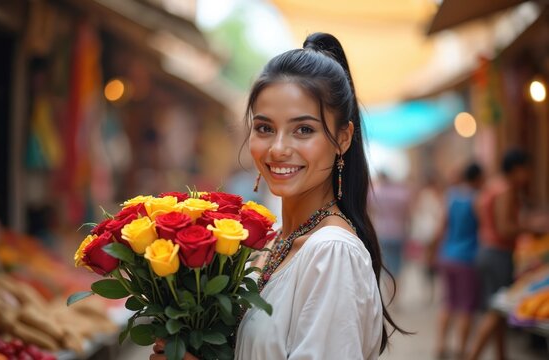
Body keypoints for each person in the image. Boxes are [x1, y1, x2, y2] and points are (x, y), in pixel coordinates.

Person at [151, 32, 404, 360]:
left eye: (304, 130)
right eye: (265, 128)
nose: (279, 148)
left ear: (343, 138)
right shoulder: (274, 244)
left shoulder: (331, 254)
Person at [466, 149, 531, 360]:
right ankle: (472, 355)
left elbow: (480, 212)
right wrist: (532, 227)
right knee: (495, 310)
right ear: (516, 168)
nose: (528, 174)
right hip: (498, 253)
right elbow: (505, 228)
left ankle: (501, 355)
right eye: (526, 169)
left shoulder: (491, 187)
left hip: (486, 250)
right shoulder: (506, 189)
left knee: (497, 309)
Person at [428, 163, 484, 359]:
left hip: (448, 256)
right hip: (467, 258)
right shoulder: (477, 199)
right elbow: (483, 229)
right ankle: (461, 350)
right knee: (466, 306)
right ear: (478, 179)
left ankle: (440, 346)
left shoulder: (450, 197)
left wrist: (434, 251)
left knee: (448, 303)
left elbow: (441, 227)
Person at [370, 171, 412, 280]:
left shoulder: (377, 193)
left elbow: (370, 209)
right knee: (398, 264)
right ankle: (397, 289)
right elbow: (407, 215)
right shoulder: (401, 194)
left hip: (383, 231)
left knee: (386, 263)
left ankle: (390, 291)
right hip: (399, 231)